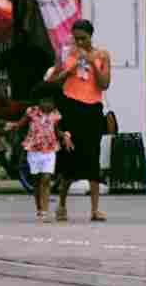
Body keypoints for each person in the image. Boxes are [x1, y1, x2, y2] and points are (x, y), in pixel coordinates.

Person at [44, 17, 112, 224]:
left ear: (90, 36)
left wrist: (92, 62)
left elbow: (104, 84)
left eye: (83, 38)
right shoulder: (68, 55)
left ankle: (95, 209)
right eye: (76, 39)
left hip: (92, 109)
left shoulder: (102, 55)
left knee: (92, 154)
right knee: (70, 155)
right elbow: (52, 82)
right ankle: (62, 204)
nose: (79, 43)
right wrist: (67, 70)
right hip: (71, 108)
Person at [22, 95, 67, 223]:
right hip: (34, 150)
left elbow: (57, 130)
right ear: (39, 101)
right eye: (44, 100)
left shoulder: (56, 114)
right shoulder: (31, 112)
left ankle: (45, 211)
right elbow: (22, 123)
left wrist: (64, 136)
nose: (47, 104)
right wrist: (13, 126)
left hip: (50, 150)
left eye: (50, 101)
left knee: (46, 178)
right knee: (36, 181)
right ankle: (39, 207)